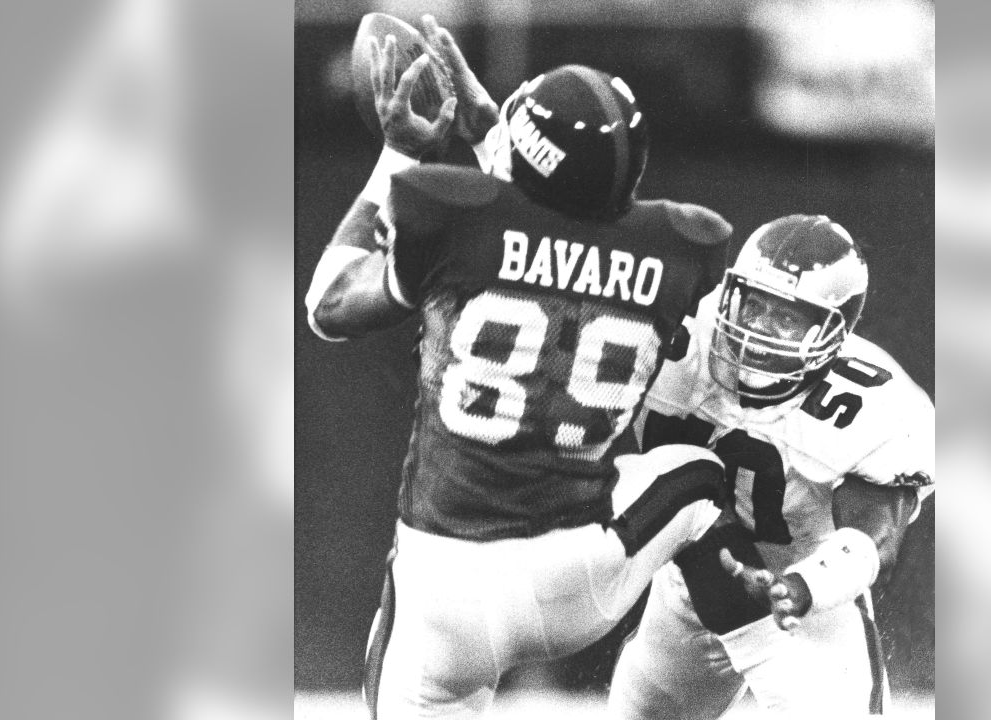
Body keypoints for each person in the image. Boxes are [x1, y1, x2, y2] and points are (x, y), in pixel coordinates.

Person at [303, 15, 735, 718]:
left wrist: (399, 152)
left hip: (448, 591)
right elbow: (569, 228)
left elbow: (331, 304)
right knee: (709, 477)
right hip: (584, 579)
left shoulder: (450, 216)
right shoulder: (686, 244)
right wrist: (495, 134)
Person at [609, 214, 935, 717]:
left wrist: (803, 588)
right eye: (752, 304)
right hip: (687, 587)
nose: (755, 329)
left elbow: (878, 542)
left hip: (801, 602)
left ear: (831, 333)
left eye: (784, 318)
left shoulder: (876, 404)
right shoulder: (681, 335)